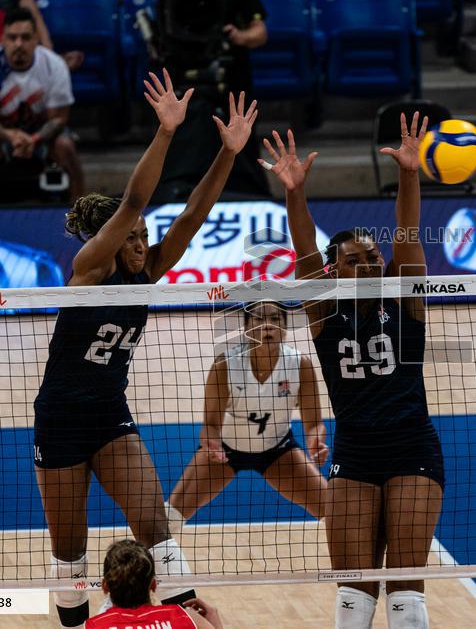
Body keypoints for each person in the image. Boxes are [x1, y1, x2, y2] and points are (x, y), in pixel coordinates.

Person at [32, 73, 257, 629]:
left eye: (142, 236)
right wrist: (165, 132)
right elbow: (135, 199)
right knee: (70, 552)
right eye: (131, 236)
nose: (142, 244)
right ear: (108, 239)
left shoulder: (147, 271)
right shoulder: (89, 269)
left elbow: (191, 216)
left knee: (155, 526)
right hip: (60, 418)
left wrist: (228, 154)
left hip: (110, 414)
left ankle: (185, 619)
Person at [263, 113, 443, 629]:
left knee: (406, 595)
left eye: (372, 256)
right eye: (353, 260)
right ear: (333, 270)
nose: (367, 264)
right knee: (352, 595)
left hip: (411, 447)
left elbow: (407, 233)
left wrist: (408, 172)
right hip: (355, 451)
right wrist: (295, 192)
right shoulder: (323, 309)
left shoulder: (404, 296)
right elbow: (304, 251)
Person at [166, 300, 329, 531]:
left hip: (278, 450)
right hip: (226, 451)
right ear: (246, 328)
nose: (267, 325)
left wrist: (316, 441)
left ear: (285, 328)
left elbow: (314, 424)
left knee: (335, 511)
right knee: (168, 518)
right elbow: (210, 425)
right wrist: (211, 443)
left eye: (275, 319)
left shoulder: (300, 365)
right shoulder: (225, 364)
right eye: (259, 318)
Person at [157, 0, 269, 201]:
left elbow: (260, 33)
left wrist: (239, 36)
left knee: (239, 142)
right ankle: (176, 192)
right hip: (181, 74)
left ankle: (245, 191)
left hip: (230, 77)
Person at [0, 8, 83, 204]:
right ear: (2, 38)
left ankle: (80, 212)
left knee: (65, 145)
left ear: (36, 39)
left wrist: (34, 139)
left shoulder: (54, 65)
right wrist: (10, 136)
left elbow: (58, 119)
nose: (18, 44)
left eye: (25, 37)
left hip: (41, 132)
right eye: (12, 37)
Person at [85, 540, 222, 629]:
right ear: (154, 584)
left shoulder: (94, 626)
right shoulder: (187, 618)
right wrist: (216, 626)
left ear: (105, 586)